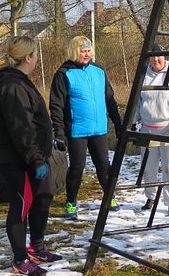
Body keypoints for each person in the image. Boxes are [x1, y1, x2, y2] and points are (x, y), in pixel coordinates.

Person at [0, 36, 61, 276]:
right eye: (36, 54)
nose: (37, 58)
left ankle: (37, 248)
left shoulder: (21, 82)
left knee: (44, 196)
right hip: (17, 160)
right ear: (29, 57)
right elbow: (21, 129)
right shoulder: (13, 86)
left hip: (31, 156)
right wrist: (36, 159)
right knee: (21, 206)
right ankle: (20, 260)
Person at [49, 35, 123, 220]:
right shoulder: (64, 73)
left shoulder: (99, 71)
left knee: (104, 166)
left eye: (89, 50)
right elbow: (56, 105)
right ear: (75, 51)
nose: (86, 54)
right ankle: (71, 202)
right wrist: (59, 131)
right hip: (76, 131)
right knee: (77, 167)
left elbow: (110, 99)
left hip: (99, 128)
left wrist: (118, 123)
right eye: (83, 51)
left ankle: (109, 197)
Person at [137, 44, 169, 215]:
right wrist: (134, 121)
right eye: (152, 56)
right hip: (147, 127)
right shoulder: (143, 75)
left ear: (165, 57)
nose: (156, 59)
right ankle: (150, 196)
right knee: (148, 167)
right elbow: (137, 101)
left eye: (159, 56)